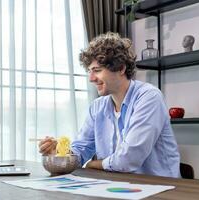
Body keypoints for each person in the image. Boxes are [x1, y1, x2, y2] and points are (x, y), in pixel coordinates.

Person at [39, 32, 180, 178]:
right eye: (89, 71)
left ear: (121, 68)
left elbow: (128, 160)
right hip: (118, 185)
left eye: (97, 70)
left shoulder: (149, 97)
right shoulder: (97, 107)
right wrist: (61, 154)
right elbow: (80, 153)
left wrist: (94, 164)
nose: (91, 79)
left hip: (161, 187)